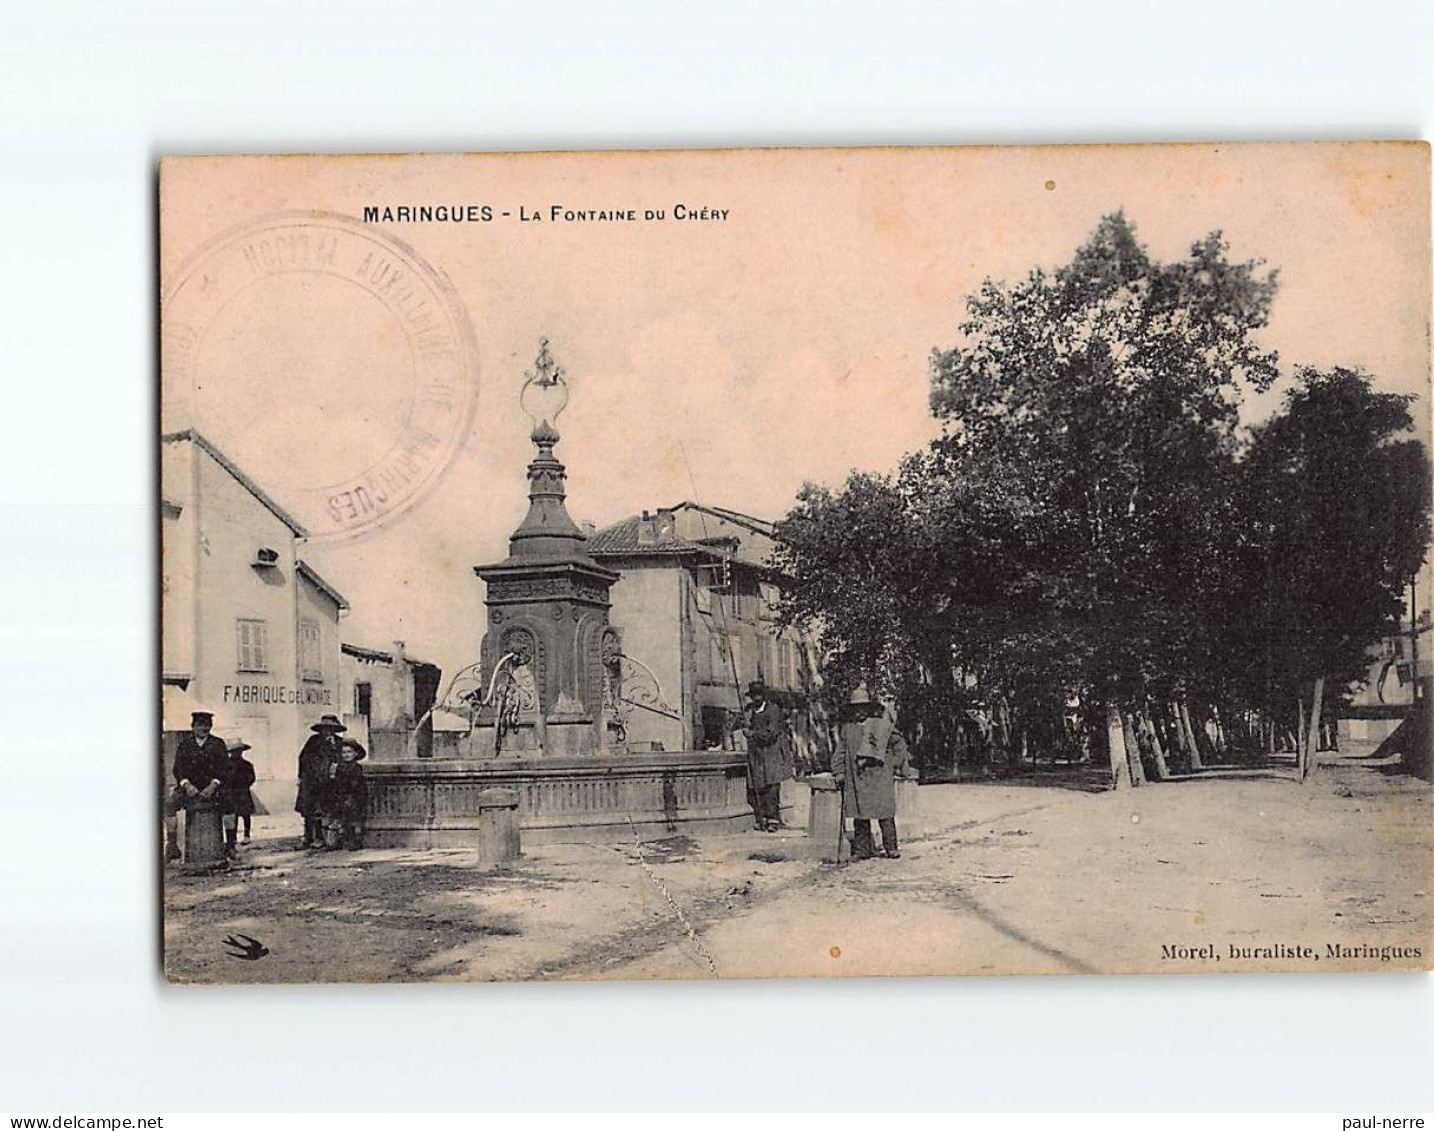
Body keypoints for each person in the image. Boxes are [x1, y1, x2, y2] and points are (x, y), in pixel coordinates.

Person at [832, 684, 914, 860]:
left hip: (880, 776)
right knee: (860, 815)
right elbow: (840, 751)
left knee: (884, 812)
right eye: (856, 708)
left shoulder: (881, 726)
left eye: (863, 707)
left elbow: (899, 745)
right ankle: (863, 850)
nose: (859, 712)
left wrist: (894, 764)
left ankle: (891, 847)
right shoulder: (848, 728)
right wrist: (838, 771)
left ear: (868, 708)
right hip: (858, 777)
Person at [164, 710, 228, 863]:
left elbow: (226, 768)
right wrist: (186, 784)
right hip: (190, 787)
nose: (204, 728)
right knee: (169, 806)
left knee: (231, 804)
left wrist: (214, 784)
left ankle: (230, 845)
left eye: (207, 725)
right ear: (192, 727)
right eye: (200, 725)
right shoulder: (185, 745)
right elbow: (177, 769)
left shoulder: (218, 744)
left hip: (213, 787)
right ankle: (172, 846)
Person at [744, 681, 793, 831]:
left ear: (763, 695)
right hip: (756, 754)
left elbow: (771, 734)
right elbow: (741, 725)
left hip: (771, 752)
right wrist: (744, 723)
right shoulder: (750, 710)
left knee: (771, 786)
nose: (757, 698)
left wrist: (752, 734)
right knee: (757, 786)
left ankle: (773, 819)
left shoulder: (773, 710)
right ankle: (761, 817)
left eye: (759, 695)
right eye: (754, 695)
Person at [296, 715, 346, 848]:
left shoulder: (339, 743)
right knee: (309, 810)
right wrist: (301, 777)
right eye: (325, 729)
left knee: (324, 810)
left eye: (331, 729)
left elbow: (348, 756)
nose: (327, 731)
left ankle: (321, 837)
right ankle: (308, 837)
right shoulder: (313, 741)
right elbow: (303, 758)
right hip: (311, 781)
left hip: (328, 783)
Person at [323, 738, 369, 850]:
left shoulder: (356, 768)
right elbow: (333, 784)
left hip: (354, 796)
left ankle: (353, 839)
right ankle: (337, 838)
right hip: (340, 796)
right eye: (344, 752)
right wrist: (333, 776)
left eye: (349, 752)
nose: (346, 755)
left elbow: (357, 785)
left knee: (350, 811)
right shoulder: (338, 767)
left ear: (355, 754)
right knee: (335, 810)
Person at [219, 737, 258, 855]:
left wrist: (245, 783)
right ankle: (233, 838)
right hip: (231, 793)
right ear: (231, 752)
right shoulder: (226, 765)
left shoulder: (247, 764)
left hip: (243, 791)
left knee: (246, 814)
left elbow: (252, 778)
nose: (237, 753)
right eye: (235, 751)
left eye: (239, 751)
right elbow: (224, 778)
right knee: (232, 815)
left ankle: (247, 834)